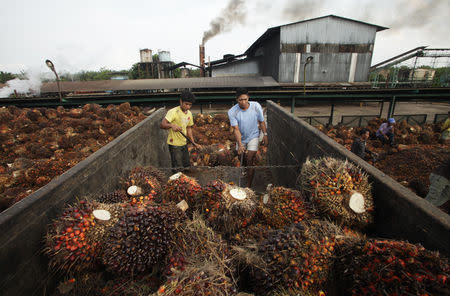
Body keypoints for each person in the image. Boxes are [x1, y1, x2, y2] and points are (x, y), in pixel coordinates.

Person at [228, 87, 268, 188]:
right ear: (237, 99)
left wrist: (265, 134)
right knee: (241, 156)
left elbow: (261, 121)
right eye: (240, 100)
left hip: (253, 136)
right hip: (241, 137)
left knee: (250, 159)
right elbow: (236, 130)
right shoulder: (232, 112)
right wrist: (240, 145)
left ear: (248, 97)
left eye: (245, 99)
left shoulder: (256, 106)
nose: (243, 102)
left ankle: (248, 186)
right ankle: (246, 169)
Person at [160, 90, 200, 170]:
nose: (188, 107)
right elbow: (162, 124)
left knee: (187, 166)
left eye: (190, 105)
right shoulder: (173, 112)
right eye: (186, 104)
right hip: (174, 144)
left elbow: (189, 128)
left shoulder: (189, 114)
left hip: (183, 143)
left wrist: (193, 142)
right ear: (181, 101)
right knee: (178, 168)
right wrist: (171, 125)